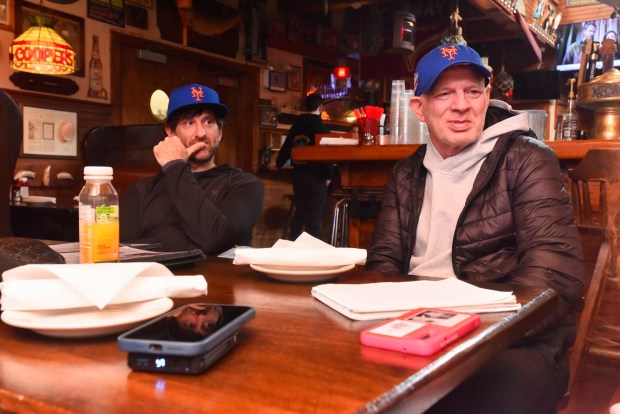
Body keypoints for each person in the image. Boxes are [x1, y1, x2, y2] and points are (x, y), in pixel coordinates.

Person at [366, 44, 584, 413]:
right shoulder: (406, 173)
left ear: (487, 97)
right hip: (416, 328)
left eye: (472, 91)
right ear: (419, 107)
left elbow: (554, 280)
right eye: (444, 93)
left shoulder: (527, 159)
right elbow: (384, 263)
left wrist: (459, 330)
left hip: (510, 337)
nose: (461, 105)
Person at [120, 83, 264, 255]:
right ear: (171, 133)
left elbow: (216, 240)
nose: (201, 133)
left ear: (220, 133)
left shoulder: (243, 185)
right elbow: (125, 251)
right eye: (189, 123)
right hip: (155, 280)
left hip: (218, 282)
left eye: (209, 122)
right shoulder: (141, 190)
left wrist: (174, 166)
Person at [275, 93, 332, 240]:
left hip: (299, 175)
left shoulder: (296, 127)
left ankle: (292, 246)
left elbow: (287, 148)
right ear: (320, 107)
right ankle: (315, 253)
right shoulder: (321, 128)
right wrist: (328, 175)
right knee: (314, 216)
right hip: (317, 176)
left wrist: (278, 164)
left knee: (300, 213)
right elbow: (326, 154)